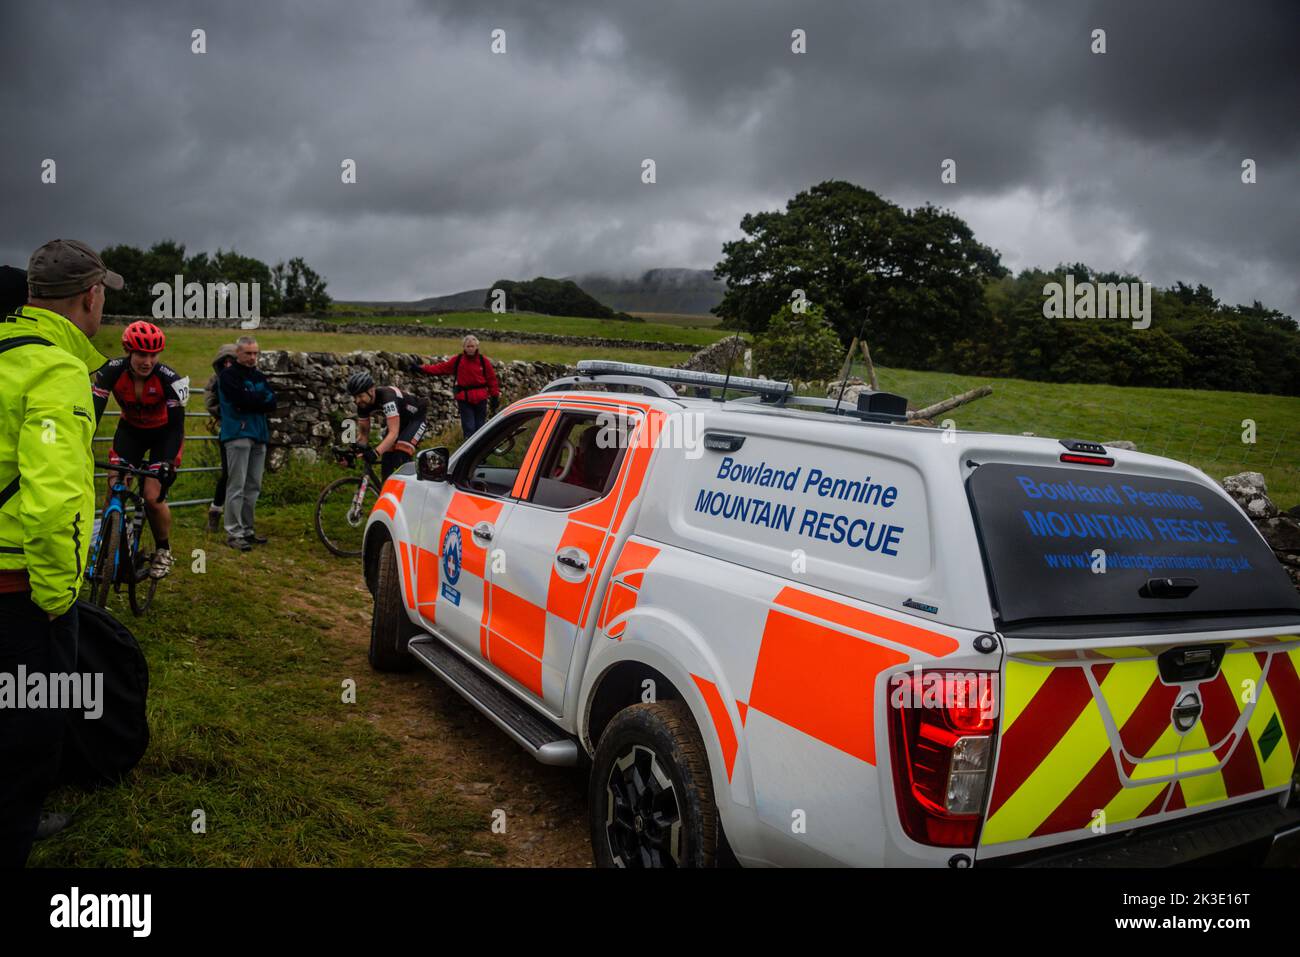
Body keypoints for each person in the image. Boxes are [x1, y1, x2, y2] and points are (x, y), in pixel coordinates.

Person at [1, 239, 116, 866]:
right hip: (21, 590)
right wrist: (54, 598)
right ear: (89, 297)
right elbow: (52, 502)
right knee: (27, 741)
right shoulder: (58, 370)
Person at [91, 321, 188, 578]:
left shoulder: (170, 379)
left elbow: (178, 427)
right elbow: (93, 413)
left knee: (152, 496)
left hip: (163, 435)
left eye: (153, 354)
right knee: (114, 486)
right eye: (141, 354)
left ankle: (163, 549)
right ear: (128, 352)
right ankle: (111, 538)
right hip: (131, 432)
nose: (147, 361)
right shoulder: (111, 371)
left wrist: (168, 462)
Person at [218, 336, 275, 551]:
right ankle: (234, 531)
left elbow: (272, 401)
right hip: (238, 434)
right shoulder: (228, 376)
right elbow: (240, 401)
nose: (253, 357)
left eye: (255, 353)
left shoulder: (258, 376)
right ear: (238, 354)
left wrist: (253, 399)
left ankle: (247, 529)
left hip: (259, 434)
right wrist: (257, 399)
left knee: (253, 485)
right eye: (248, 353)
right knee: (237, 485)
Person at [345, 371, 430, 480]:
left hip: (415, 419)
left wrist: (375, 453)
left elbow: (393, 434)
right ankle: (387, 492)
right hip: (398, 421)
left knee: (401, 452)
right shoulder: (362, 404)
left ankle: (411, 487)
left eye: (360, 396)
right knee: (387, 460)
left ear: (371, 390)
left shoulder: (387, 397)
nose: (357, 401)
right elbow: (363, 436)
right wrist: (352, 453)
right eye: (355, 397)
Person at [418, 335, 500, 437]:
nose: (470, 348)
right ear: (464, 347)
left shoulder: (483, 361)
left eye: (472, 346)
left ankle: (481, 450)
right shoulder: (458, 360)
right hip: (464, 398)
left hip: (481, 398)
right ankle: (469, 450)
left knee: (480, 427)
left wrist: (495, 396)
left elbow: (492, 379)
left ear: (477, 347)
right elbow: (441, 368)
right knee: (469, 427)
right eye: (468, 346)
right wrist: (422, 368)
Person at [204, 344, 237, 533]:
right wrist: (225, 413)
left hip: (245, 433)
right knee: (228, 474)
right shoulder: (216, 380)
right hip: (227, 432)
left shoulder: (243, 378)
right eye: (224, 361)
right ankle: (215, 512)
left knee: (242, 478)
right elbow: (209, 400)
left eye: (231, 360)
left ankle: (235, 519)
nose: (228, 364)